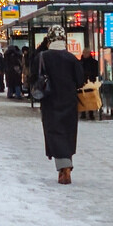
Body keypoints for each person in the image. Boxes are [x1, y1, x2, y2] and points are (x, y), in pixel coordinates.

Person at [36, 25, 82, 184]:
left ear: (49, 39)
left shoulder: (43, 57)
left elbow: (34, 77)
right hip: (69, 102)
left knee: (54, 134)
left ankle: (64, 168)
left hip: (50, 102)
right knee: (67, 134)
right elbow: (80, 80)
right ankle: (66, 165)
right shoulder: (71, 58)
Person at [78, 45, 103, 121]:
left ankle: (91, 113)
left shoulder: (94, 62)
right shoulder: (79, 63)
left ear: (89, 53)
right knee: (82, 97)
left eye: (86, 53)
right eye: (84, 52)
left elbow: (96, 72)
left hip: (91, 82)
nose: (85, 54)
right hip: (82, 82)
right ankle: (83, 113)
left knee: (91, 97)